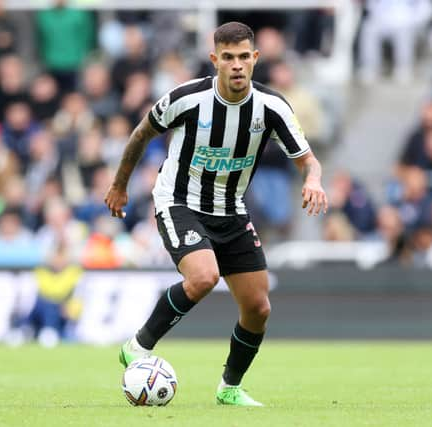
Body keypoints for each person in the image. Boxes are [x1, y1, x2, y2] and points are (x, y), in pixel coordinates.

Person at [104, 22, 328, 406]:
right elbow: (141, 133)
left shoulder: (272, 107)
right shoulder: (187, 99)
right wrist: (120, 184)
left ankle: (230, 388)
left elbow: (309, 161)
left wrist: (314, 181)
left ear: (255, 59)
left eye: (244, 57)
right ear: (215, 60)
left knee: (258, 307)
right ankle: (138, 345)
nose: (237, 65)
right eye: (228, 58)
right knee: (204, 276)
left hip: (230, 210)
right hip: (179, 201)